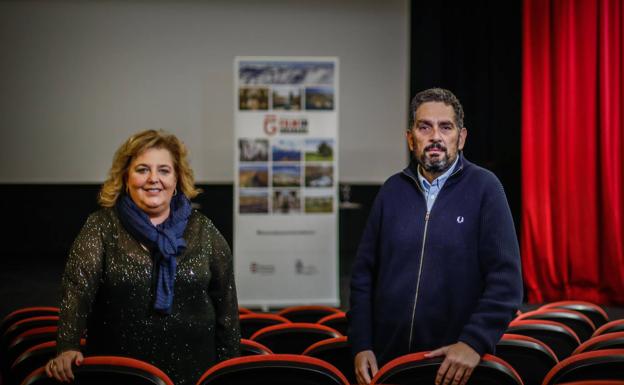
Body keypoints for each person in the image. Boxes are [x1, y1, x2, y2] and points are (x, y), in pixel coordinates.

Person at [348, 88, 523, 385]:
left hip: (454, 368)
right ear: (410, 138)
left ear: (462, 137)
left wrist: (474, 342)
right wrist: (361, 343)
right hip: (388, 366)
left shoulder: (486, 189)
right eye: (424, 126)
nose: (435, 137)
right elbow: (363, 276)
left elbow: (506, 282)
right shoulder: (390, 192)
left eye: (446, 127)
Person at [45, 129, 240, 385]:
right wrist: (67, 346)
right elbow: (77, 290)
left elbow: (226, 307)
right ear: (126, 177)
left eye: (164, 170)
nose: (153, 179)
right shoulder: (101, 226)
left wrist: (229, 371)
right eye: (142, 169)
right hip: (120, 373)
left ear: (177, 179)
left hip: (196, 370)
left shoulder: (204, 229)